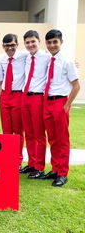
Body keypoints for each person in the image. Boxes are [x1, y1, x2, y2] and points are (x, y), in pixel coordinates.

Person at [42, 29, 80, 187]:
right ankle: (56, 169)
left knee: (62, 140)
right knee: (52, 139)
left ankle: (63, 173)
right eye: (49, 42)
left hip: (60, 103)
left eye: (55, 42)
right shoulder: (49, 59)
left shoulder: (67, 61)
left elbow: (76, 86)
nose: (52, 45)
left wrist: (66, 106)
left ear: (61, 42)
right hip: (48, 102)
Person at [20, 30, 50, 178]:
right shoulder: (25, 56)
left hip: (38, 98)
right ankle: (32, 163)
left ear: (39, 41)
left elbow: (62, 62)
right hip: (25, 97)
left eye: (33, 41)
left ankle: (39, 167)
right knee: (29, 133)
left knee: (39, 134)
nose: (30, 44)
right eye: (27, 42)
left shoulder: (47, 56)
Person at [0, 34, 27, 169]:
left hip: (18, 95)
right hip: (5, 96)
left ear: (17, 45)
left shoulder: (24, 55)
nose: (10, 48)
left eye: (12, 45)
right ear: (3, 46)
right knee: (7, 130)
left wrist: (72, 62)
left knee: (18, 130)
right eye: (7, 45)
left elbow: (43, 55)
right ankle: (8, 158)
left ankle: (18, 160)